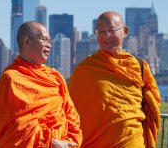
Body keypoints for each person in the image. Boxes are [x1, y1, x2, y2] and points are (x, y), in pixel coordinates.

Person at [68, 11, 161, 148]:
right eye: (101, 32)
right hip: (94, 143)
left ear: (125, 31)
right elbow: (68, 108)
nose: (106, 37)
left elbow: (152, 105)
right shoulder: (84, 70)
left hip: (131, 142)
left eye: (111, 30)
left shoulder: (139, 66)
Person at [0, 21, 82, 148]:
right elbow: (13, 130)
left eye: (49, 41)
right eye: (44, 40)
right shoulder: (11, 79)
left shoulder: (55, 77)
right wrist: (50, 143)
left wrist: (71, 142)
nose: (49, 45)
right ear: (27, 41)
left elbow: (71, 116)